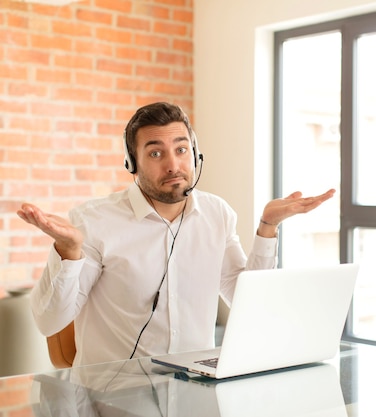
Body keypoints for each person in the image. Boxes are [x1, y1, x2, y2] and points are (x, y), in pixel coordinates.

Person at [17, 102, 335, 367]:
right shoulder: (93, 221)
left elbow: (249, 302)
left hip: (196, 392)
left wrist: (267, 228)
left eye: (181, 149)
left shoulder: (217, 213)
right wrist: (69, 252)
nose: (173, 165)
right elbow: (50, 322)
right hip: (114, 398)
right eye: (156, 153)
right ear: (132, 163)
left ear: (195, 155)